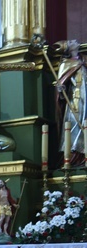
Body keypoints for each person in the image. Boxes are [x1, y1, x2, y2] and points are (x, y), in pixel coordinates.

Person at [55, 39, 87, 167]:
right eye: (71, 41)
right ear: (68, 48)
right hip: (75, 99)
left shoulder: (84, 61)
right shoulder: (65, 64)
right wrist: (60, 90)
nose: (75, 41)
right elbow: (60, 85)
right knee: (74, 125)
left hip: (86, 98)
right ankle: (74, 155)